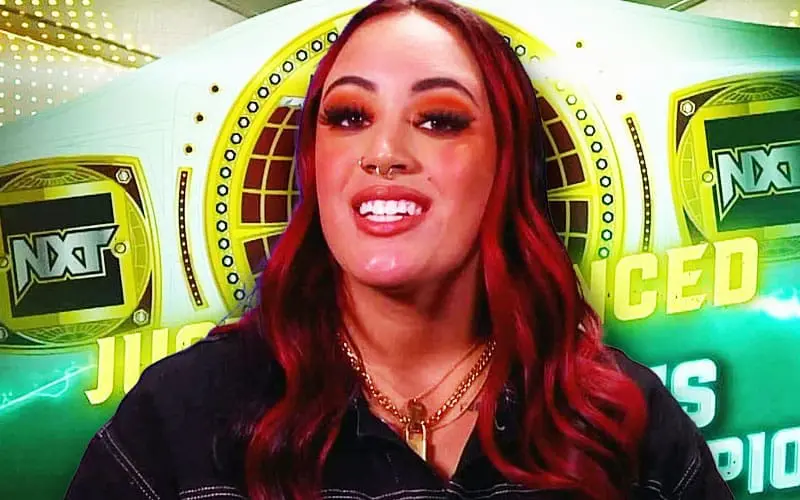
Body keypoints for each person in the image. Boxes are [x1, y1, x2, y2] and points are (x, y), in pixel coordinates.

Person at [65, 0, 733, 498]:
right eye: (349, 116)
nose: (383, 152)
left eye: (439, 119)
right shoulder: (177, 416)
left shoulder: (622, 419)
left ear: (507, 165)